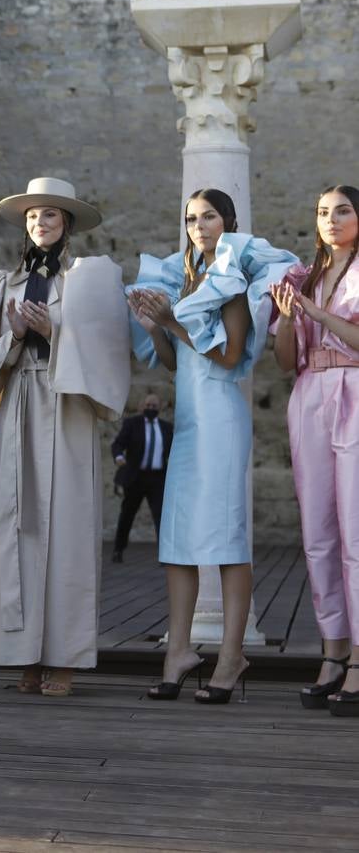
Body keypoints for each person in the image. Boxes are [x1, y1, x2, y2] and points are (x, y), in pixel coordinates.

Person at [0, 177, 130, 698]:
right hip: (21, 405)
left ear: (67, 223)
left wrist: (56, 334)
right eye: (34, 216)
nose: (41, 223)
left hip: (69, 404)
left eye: (51, 215)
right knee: (18, 526)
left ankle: (66, 661)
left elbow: (106, 354)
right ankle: (25, 657)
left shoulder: (88, 283)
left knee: (69, 530)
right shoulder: (3, 285)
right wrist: (13, 334)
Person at [128, 188, 294, 703]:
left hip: (222, 416)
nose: (199, 226)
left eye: (210, 217)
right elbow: (176, 362)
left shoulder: (234, 280)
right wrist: (154, 325)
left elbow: (231, 357)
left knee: (225, 536)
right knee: (177, 539)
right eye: (192, 218)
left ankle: (230, 655)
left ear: (230, 221)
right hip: (191, 419)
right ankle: (177, 652)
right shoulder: (182, 278)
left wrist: (174, 320)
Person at [270, 185, 359, 714]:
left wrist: (317, 314)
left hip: (354, 390)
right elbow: (285, 360)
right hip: (309, 396)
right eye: (322, 211)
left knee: (356, 528)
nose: (331, 219)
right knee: (318, 532)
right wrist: (287, 316)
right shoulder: (302, 277)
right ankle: (333, 653)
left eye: (342, 210)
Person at [110, 393, 173, 563]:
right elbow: (118, 444)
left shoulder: (167, 428)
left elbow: (174, 450)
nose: (150, 409)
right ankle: (118, 550)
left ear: (160, 408)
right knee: (127, 515)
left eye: (154, 406)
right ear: (141, 407)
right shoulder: (132, 424)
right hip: (135, 477)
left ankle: (165, 554)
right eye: (148, 405)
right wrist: (119, 458)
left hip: (158, 479)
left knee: (161, 516)